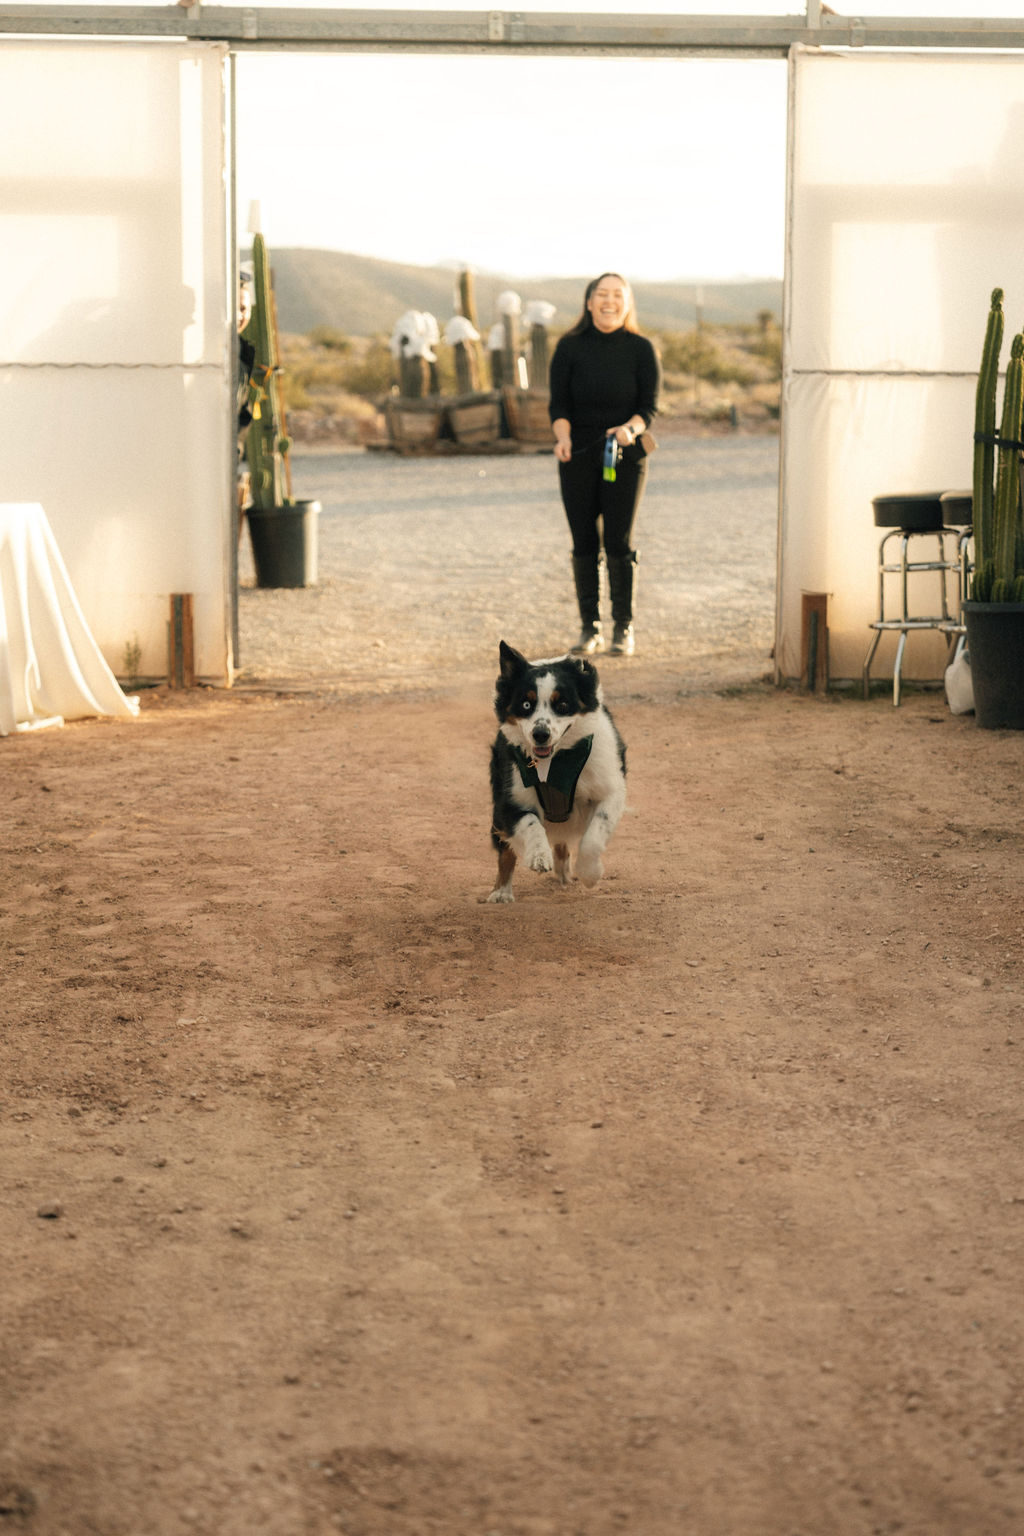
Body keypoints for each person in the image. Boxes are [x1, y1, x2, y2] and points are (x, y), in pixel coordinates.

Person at [549, 272, 661, 656]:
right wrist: (562, 438)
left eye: (617, 295)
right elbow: (558, 405)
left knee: (618, 541)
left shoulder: (641, 349)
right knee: (583, 541)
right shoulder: (568, 347)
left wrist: (631, 428)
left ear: (627, 303)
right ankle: (589, 629)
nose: (609, 301)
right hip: (576, 455)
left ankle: (623, 629)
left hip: (624, 455)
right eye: (602, 294)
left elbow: (648, 408)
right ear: (589, 301)